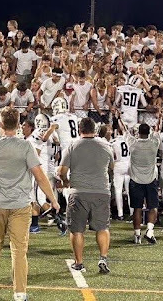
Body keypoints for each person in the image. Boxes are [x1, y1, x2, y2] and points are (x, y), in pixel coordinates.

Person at [0, 107, 59, 301]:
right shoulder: (25, 147)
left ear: (1, 122)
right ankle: (19, 292)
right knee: (19, 250)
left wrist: (3, 126)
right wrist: (53, 200)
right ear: (19, 124)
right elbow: (39, 176)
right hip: (21, 205)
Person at [57, 117, 114, 274]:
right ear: (94, 130)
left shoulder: (73, 146)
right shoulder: (105, 145)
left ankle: (79, 263)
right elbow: (111, 167)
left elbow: (62, 171)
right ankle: (103, 258)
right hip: (101, 191)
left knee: (77, 230)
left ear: (79, 129)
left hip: (79, 192)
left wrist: (66, 181)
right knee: (102, 227)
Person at [125, 122, 161, 245]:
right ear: (148, 132)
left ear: (138, 132)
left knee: (137, 208)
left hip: (136, 181)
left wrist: (118, 118)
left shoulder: (133, 144)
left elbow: (125, 131)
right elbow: (158, 130)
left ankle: (137, 234)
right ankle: (150, 231)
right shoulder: (153, 144)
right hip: (151, 180)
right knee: (153, 207)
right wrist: (159, 118)